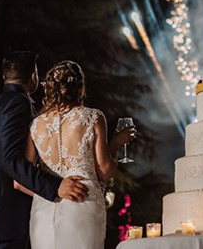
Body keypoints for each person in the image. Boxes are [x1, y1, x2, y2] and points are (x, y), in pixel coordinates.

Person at [0, 51, 89, 249]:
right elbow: (10, 159)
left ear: (5, 76)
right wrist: (56, 186)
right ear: (33, 76)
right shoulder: (18, 103)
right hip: (4, 219)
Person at [13, 60, 135, 249]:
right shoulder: (93, 117)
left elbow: (20, 182)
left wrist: (48, 192)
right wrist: (116, 144)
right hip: (81, 201)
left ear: (50, 89)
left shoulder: (35, 125)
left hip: (43, 208)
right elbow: (104, 171)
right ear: (80, 87)